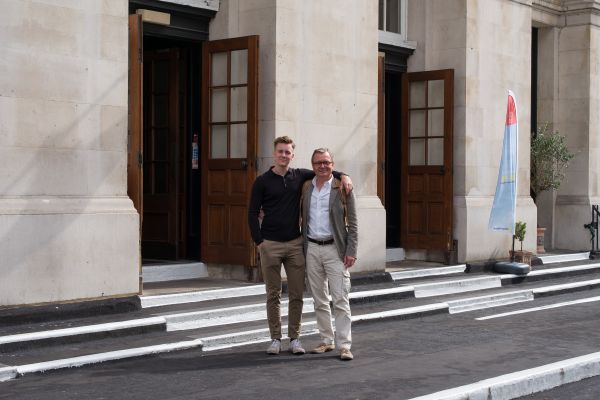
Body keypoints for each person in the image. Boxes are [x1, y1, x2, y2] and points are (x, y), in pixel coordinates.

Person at [248, 136, 352, 355]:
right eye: (280, 151)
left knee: (297, 294)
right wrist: (259, 242)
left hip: (296, 244)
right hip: (271, 245)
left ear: (292, 155)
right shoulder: (262, 181)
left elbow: (325, 170)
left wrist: (344, 175)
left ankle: (295, 338)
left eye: (288, 152)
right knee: (273, 294)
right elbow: (252, 213)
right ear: (274, 153)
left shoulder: (301, 177)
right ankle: (275, 338)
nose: (284, 155)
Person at [301, 148, 358, 361]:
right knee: (319, 299)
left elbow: (353, 222)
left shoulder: (342, 187)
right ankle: (326, 340)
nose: (322, 166)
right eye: (318, 163)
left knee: (340, 298)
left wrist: (351, 251)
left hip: (336, 249)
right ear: (312, 165)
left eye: (326, 162)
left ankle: (344, 345)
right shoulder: (306, 187)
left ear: (333, 164)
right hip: (312, 248)